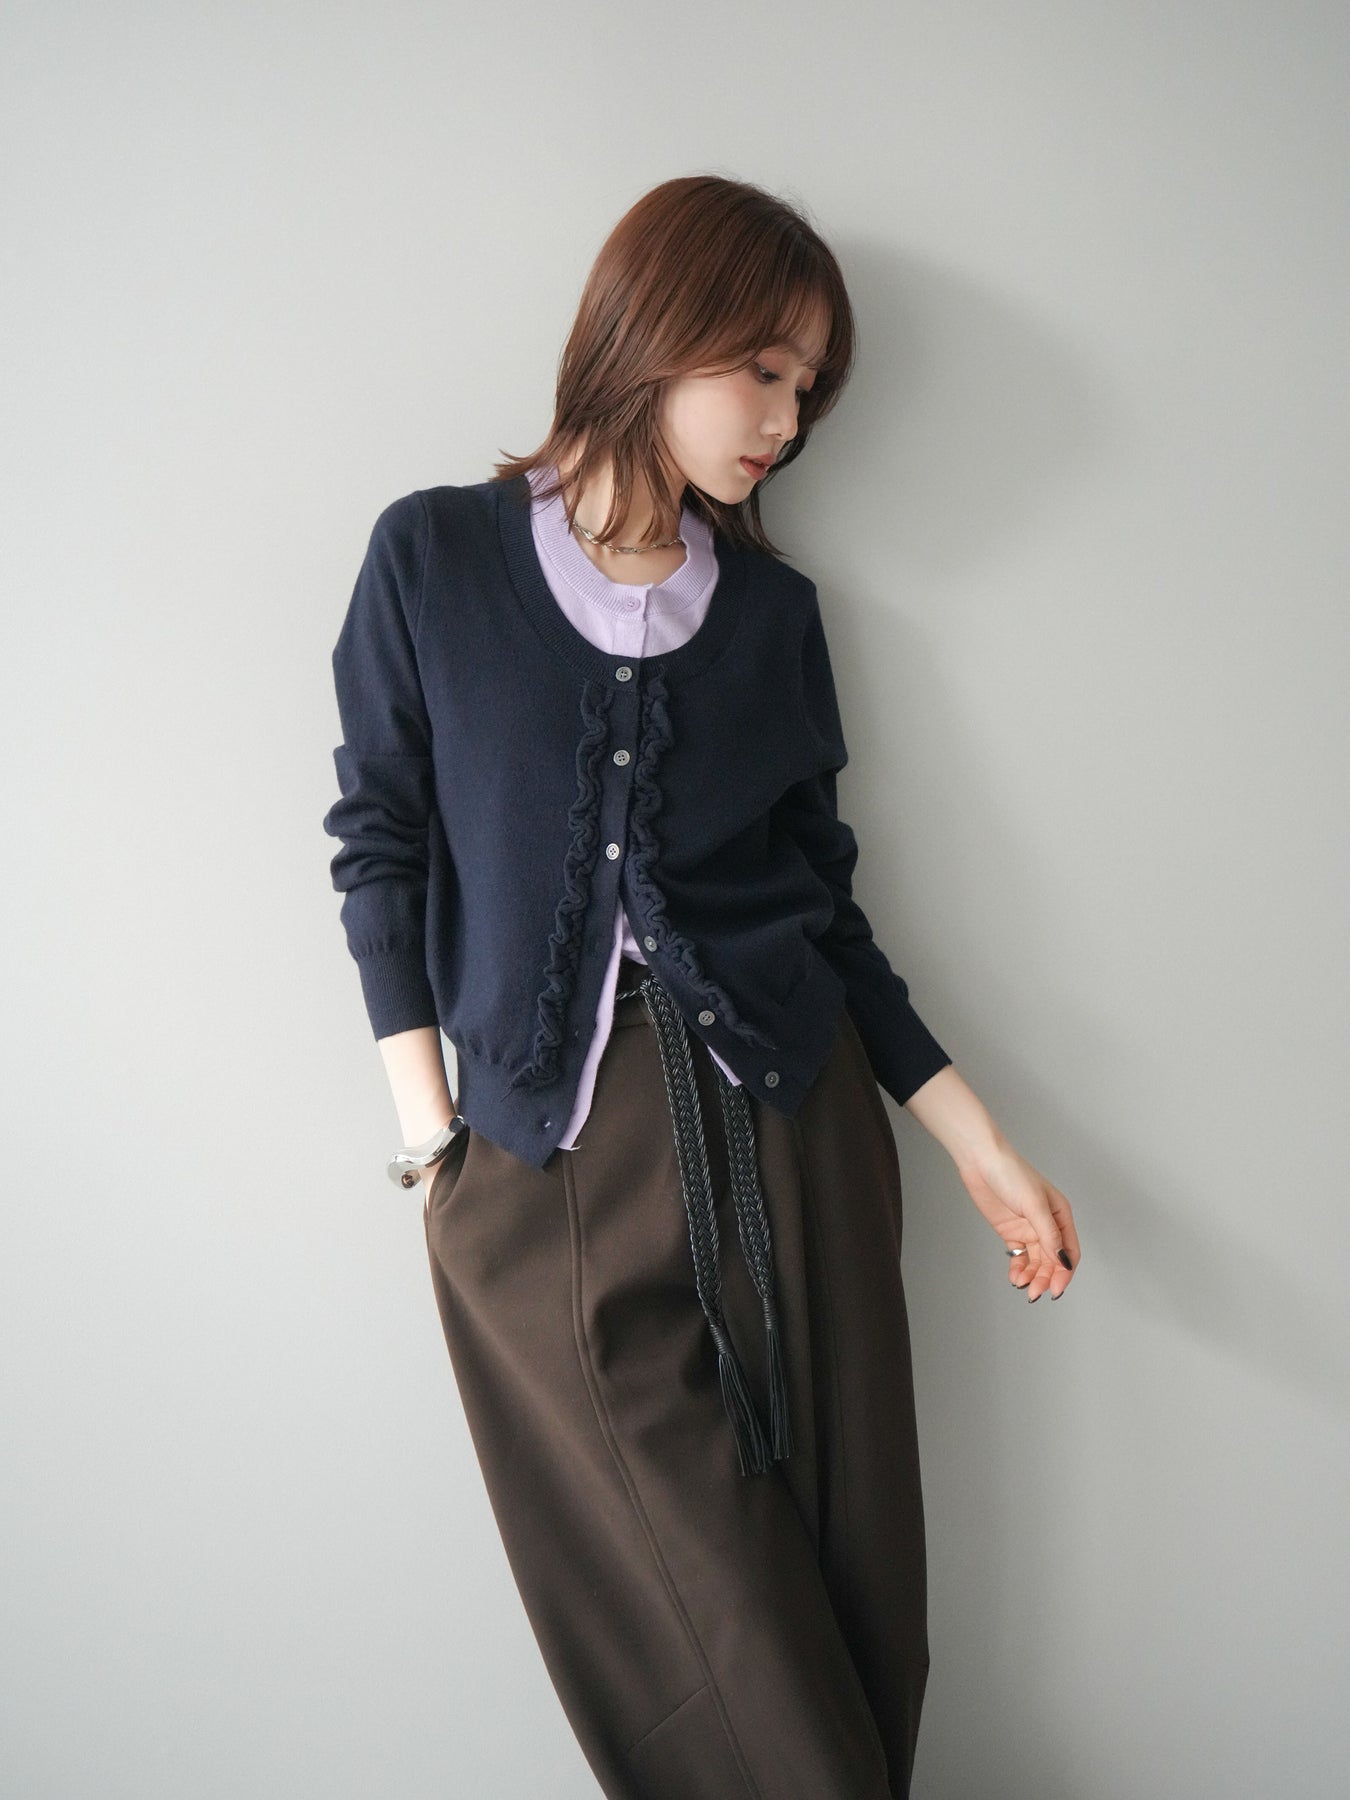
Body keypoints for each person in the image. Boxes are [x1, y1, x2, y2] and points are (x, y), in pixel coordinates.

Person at [322, 173, 1081, 1800]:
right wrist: (432, 1143)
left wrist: (976, 1143)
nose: (788, 422)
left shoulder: (774, 617)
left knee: (854, 1607)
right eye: (764, 371)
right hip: (544, 1165)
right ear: (652, 334)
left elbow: (829, 915)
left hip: (797, 1146)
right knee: (713, 1635)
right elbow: (378, 847)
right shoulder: (434, 556)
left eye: (811, 388)